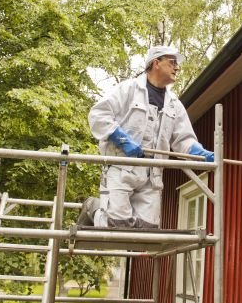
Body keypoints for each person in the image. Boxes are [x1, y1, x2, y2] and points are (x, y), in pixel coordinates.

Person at [83, 46, 214, 229]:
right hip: (122, 167)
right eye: (172, 62)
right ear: (156, 63)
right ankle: (92, 207)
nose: (177, 67)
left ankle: (114, 215)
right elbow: (98, 115)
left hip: (152, 175)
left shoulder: (174, 104)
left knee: (147, 229)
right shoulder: (129, 89)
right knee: (117, 226)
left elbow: (183, 139)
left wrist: (199, 152)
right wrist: (121, 139)